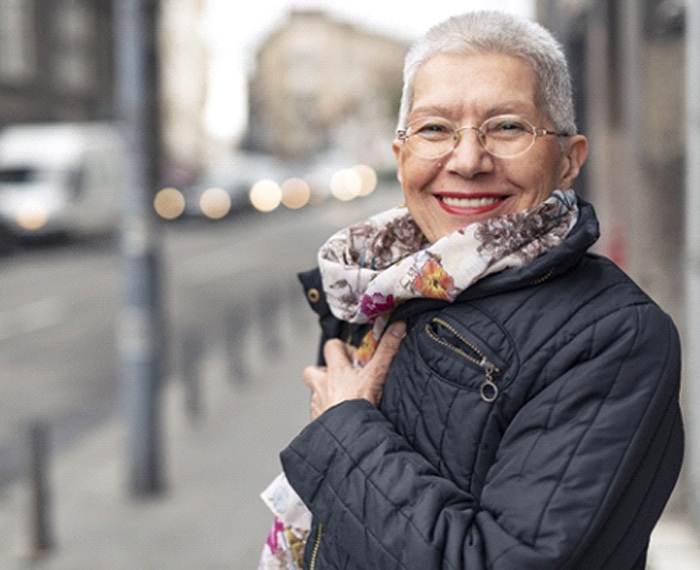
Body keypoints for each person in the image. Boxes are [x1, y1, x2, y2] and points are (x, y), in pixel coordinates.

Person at [263, 10, 684, 569]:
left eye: (508, 127)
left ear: (569, 161)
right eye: (435, 128)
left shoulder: (615, 337)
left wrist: (343, 429)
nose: (466, 160)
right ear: (401, 155)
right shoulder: (374, 286)